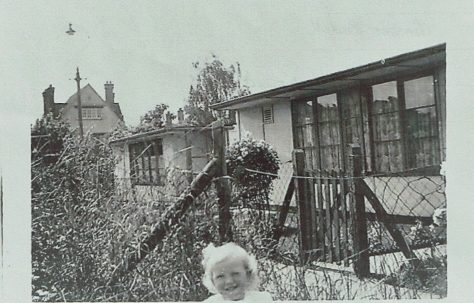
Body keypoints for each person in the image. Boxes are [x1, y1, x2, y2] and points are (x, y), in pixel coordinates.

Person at [201, 242, 273, 302]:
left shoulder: (261, 299)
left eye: (235, 274)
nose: (229, 281)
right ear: (212, 281)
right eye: (220, 276)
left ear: (248, 275)